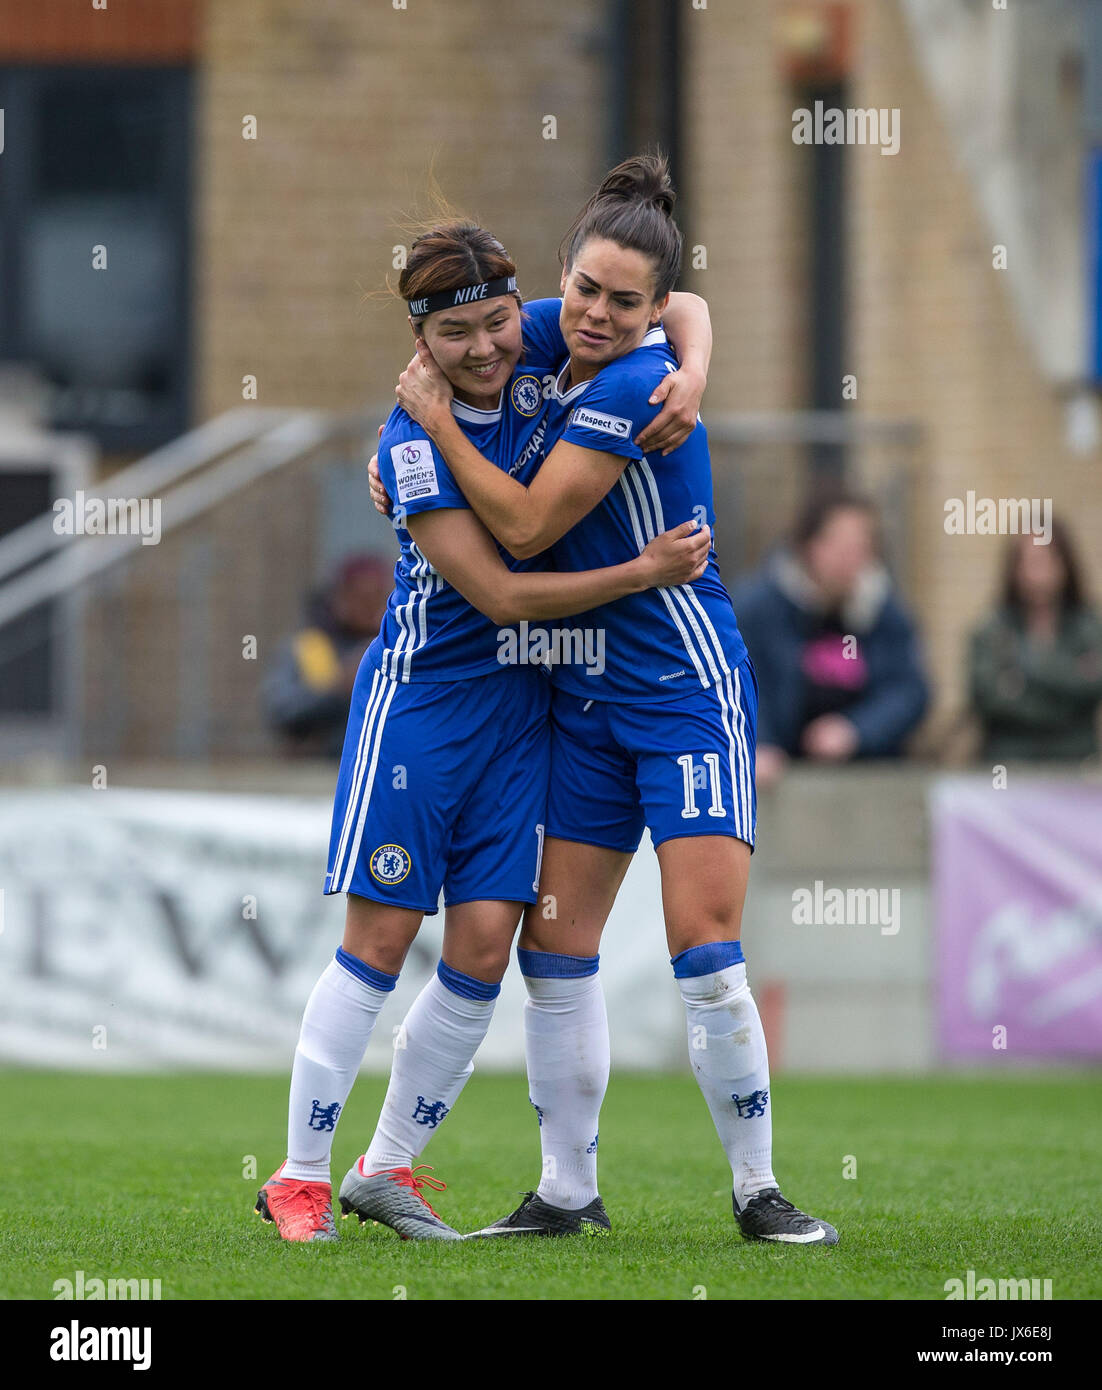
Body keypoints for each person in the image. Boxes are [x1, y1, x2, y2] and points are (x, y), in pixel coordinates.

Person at [392, 153, 838, 1245]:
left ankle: (757, 1189)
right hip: (579, 696)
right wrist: (397, 449)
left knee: (701, 942)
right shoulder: (551, 331)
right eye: (584, 288)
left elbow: (529, 528)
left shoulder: (638, 383)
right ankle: (565, 1191)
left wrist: (436, 437)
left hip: (683, 686)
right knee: (555, 943)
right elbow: (670, 301)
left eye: (623, 302)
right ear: (561, 275)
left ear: (645, 318)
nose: (595, 312)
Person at [255, 214, 713, 1243]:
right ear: (421, 343)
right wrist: (640, 573)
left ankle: (389, 1170)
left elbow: (673, 300)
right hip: (423, 707)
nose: (486, 348)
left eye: (499, 323)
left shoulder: (548, 336)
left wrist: (694, 371)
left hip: (522, 717)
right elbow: (504, 592)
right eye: (454, 334)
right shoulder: (409, 440)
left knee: (481, 948)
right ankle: (296, 1177)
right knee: (377, 943)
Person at [731, 492, 930, 789]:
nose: (850, 558)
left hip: (865, 782)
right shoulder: (758, 609)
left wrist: (857, 730)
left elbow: (910, 690)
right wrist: (759, 744)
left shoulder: (887, 613)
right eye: (838, 545)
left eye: (861, 547)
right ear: (808, 545)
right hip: (775, 780)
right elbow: (737, 684)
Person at [969, 519, 1102, 762]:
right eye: (1028, 562)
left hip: (1075, 764)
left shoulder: (1088, 627)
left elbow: (1094, 686)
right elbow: (987, 697)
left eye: (1045, 561)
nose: (1036, 575)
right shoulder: (992, 629)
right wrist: (1068, 684)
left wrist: (1024, 674)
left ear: (1064, 564)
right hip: (1009, 763)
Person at [262, 554, 390, 758]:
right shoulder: (308, 645)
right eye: (362, 598)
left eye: (378, 597)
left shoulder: (397, 649)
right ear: (340, 596)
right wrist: (339, 686)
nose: (371, 607)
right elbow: (280, 710)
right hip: (318, 773)